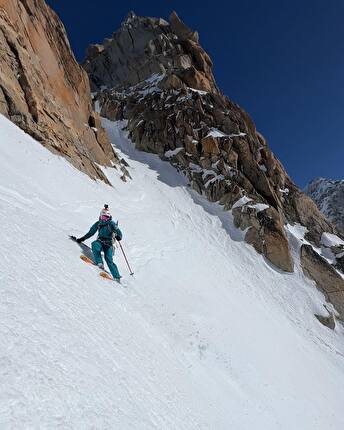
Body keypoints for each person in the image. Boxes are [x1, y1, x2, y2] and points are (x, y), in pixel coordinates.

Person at [76, 205, 122, 282]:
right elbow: (91, 232)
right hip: (100, 242)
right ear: (100, 216)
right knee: (94, 244)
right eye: (103, 217)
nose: (105, 219)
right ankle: (99, 263)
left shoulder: (112, 224)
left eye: (106, 217)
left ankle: (117, 277)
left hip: (109, 244)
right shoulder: (98, 223)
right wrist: (83, 238)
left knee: (109, 260)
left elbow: (119, 232)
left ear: (109, 217)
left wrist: (119, 236)